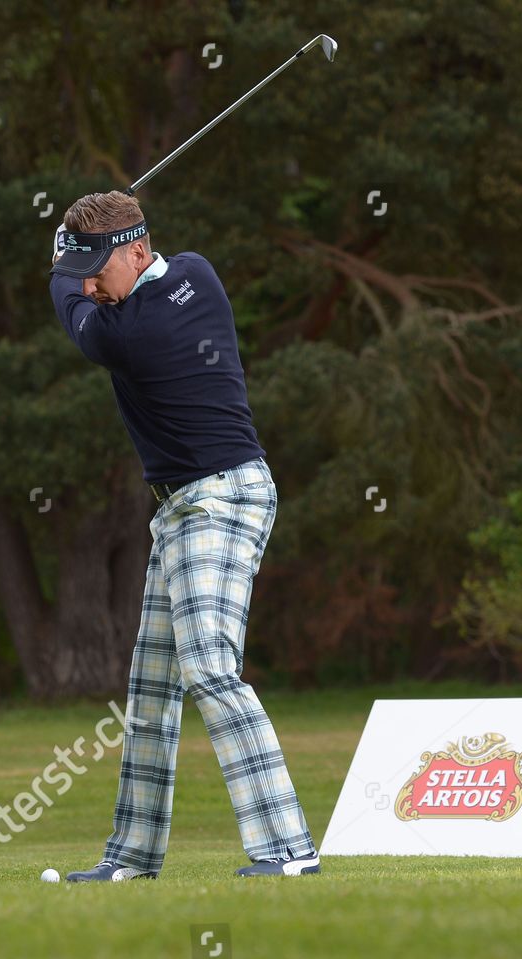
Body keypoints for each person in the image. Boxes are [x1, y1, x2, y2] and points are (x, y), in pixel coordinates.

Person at [47, 191, 320, 879]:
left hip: (224, 495)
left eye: (96, 269)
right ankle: (132, 858)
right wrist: (82, 252)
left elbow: (78, 319)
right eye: (79, 270)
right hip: (178, 509)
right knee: (151, 689)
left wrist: (57, 269)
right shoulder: (183, 275)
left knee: (209, 666)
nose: (88, 284)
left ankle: (288, 851)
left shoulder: (130, 325)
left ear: (139, 251)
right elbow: (104, 291)